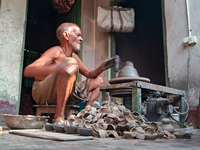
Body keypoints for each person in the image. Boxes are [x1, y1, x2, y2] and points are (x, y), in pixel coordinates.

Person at [23, 22, 119, 124]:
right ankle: (59, 117)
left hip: (66, 93)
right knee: (70, 63)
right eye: (78, 35)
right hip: (43, 93)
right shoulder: (56, 51)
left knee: (99, 81)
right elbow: (28, 70)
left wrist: (103, 67)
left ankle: (86, 112)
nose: (81, 39)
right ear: (66, 35)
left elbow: (89, 74)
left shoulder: (74, 57)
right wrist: (57, 67)